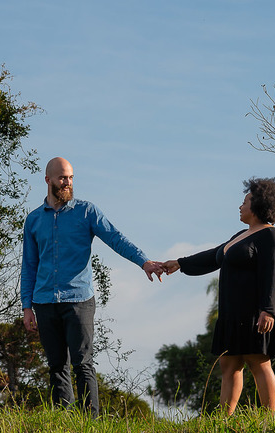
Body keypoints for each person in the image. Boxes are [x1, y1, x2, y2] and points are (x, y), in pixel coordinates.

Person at [21, 156, 164, 414]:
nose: (68, 182)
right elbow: (29, 265)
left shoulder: (87, 212)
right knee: (56, 366)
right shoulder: (33, 220)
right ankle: (64, 422)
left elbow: (116, 238)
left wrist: (144, 262)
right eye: (63, 177)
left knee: (82, 364)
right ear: (48, 180)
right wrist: (26, 306)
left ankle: (91, 423)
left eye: (71, 177)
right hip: (43, 302)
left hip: (78, 300)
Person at [164, 177, 275, 415]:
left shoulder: (271, 236)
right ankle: (223, 420)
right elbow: (214, 256)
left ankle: (270, 422)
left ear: (259, 206)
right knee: (229, 365)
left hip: (255, 313)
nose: (240, 206)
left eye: (245, 202)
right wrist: (180, 263)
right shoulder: (241, 234)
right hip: (231, 313)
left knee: (258, 363)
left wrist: (268, 310)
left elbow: (273, 273)